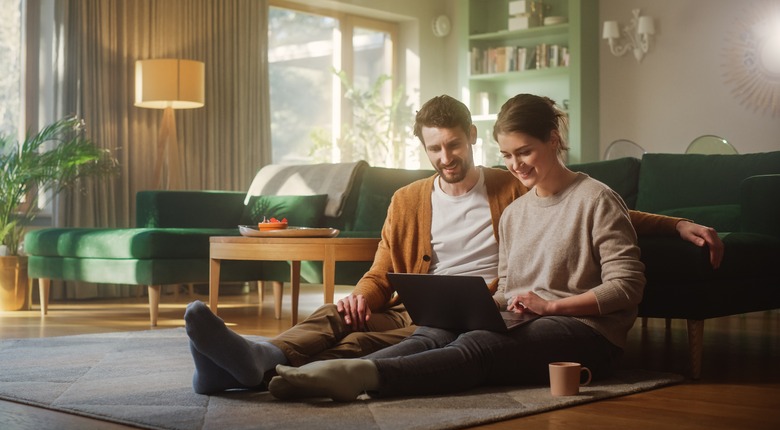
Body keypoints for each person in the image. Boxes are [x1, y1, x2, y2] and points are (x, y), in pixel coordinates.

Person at [184, 95, 723, 395]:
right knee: (338, 317)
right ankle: (256, 359)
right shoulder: (412, 200)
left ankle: (284, 376)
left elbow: (598, 212)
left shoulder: (512, 189)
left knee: (389, 346)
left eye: (455, 145)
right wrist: (363, 298)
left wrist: (675, 224)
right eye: (435, 149)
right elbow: (381, 271)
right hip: (424, 306)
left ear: (470, 139)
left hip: (487, 309)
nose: (446, 157)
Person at [267, 93, 647, 402]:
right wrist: (483, 305)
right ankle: (319, 373)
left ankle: (366, 376)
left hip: (586, 330)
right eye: (508, 156)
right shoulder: (515, 212)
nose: (516, 165)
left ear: (553, 139)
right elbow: (512, 285)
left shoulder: (596, 198)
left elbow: (627, 287)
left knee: (478, 343)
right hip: (530, 319)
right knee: (435, 333)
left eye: (525, 152)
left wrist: (550, 306)